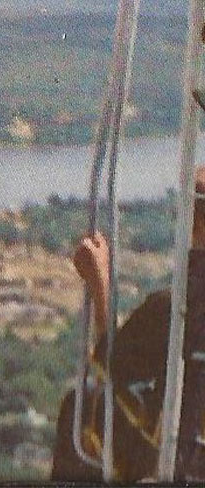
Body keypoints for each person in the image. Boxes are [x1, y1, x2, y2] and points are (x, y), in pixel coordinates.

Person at [51, 167, 205, 482]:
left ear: (194, 221)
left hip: (184, 460)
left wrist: (100, 284)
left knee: (81, 406)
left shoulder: (177, 309)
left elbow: (116, 366)